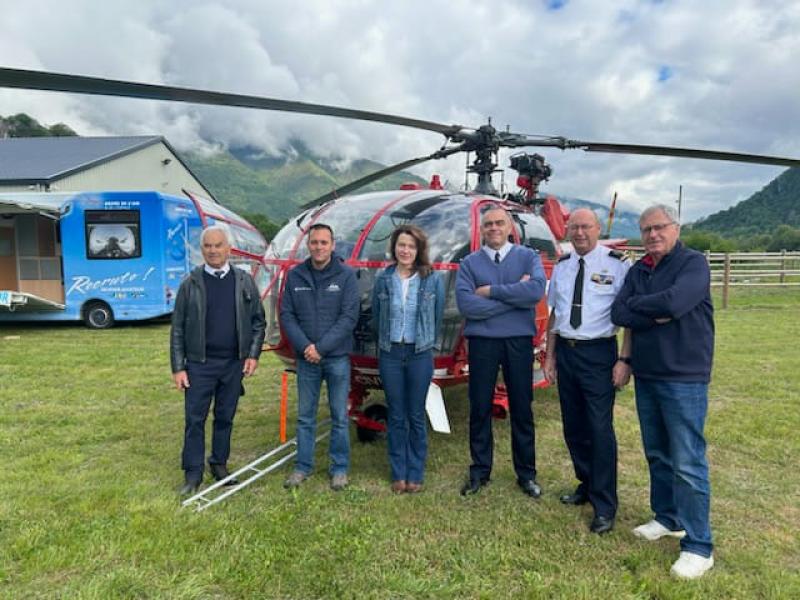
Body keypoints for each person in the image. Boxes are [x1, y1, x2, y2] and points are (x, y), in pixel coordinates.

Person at [611, 204, 715, 579]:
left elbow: (676, 302)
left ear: (676, 228)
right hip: (649, 373)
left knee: (688, 460)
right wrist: (652, 311)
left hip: (684, 375)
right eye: (646, 230)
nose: (652, 235)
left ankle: (699, 545)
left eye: (659, 228)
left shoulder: (693, 264)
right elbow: (619, 312)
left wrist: (651, 307)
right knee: (657, 452)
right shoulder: (640, 269)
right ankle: (668, 517)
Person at [543, 208, 631, 534]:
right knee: (574, 426)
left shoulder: (617, 265)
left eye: (586, 227)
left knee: (599, 429)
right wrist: (550, 357)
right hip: (566, 351)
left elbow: (629, 318)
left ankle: (605, 504)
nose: (580, 233)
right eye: (574, 227)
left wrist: (624, 360)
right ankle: (586, 483)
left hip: (599, 353)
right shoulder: (563, 266)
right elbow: (555, 315)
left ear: (597, 229)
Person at [455, 205, 547, 497]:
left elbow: (534, 293)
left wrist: (491, 292)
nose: (493, 228)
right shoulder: (469, 263)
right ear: (481, 230)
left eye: (499, 223)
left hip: (518, 341)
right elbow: (467, 305)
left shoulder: (528, 257)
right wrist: (513, 296)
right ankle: (480, 471)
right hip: (482, 343)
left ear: (510, 228)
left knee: (521, 406)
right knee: (480, 406)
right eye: (488, 224)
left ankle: (526, 474)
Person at [170, 226, 266, 496]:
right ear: (202, 251)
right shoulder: (190, 284)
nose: (213, 250)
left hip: (233, 364)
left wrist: (253, 355)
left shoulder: (244, 282)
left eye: (218, 245)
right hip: (199, 365)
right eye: (208, 246)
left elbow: (259, 322)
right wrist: (178, 367)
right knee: (194, 419)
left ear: (229, 249)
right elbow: (177, 328)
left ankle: (219, 464)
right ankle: (192, 473)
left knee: (225, 417)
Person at [280, 223, 359, 491]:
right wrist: (305, 347)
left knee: (339, 415)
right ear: (308, 245)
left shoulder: (346, 276)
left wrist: (322, 348)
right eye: (314, 242)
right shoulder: (295, 276)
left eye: (324, 242)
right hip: (306, 359)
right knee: (305, 416)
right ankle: (303, 466)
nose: (319, 247)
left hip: (336, 358)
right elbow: (287, 315)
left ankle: (339, 468)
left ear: (333, 245)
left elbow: (349, 317)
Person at [371, 224, 445, 494]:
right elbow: (378, 317)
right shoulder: (384, 278)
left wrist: (424, 343)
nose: (405, 250)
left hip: (419, 354)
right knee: (397, 414)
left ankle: (415, 472)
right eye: (401, 245)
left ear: (419, 250)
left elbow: (436, 318)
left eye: (411, 246)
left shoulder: (431, 279)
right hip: (390, 353)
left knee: (415, 414)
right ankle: (398, 472)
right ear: (394, 247)